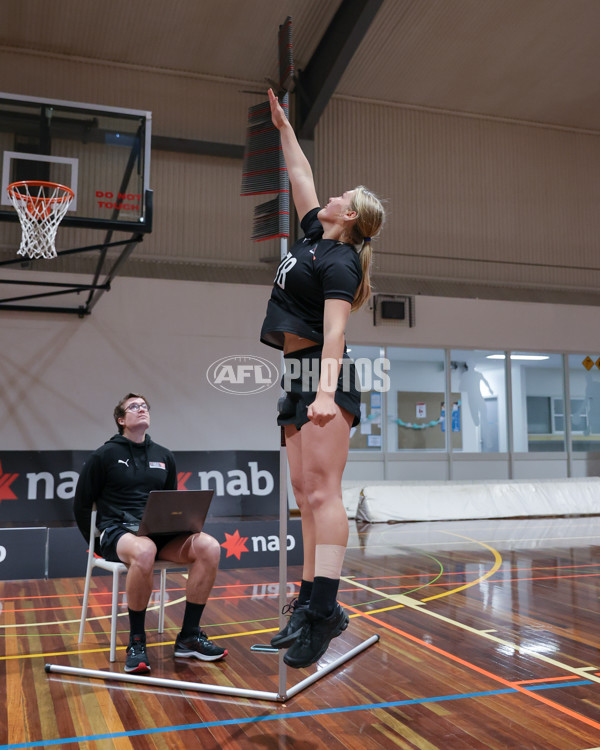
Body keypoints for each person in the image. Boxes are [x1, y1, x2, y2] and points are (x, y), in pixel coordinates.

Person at [260, 89, 385, 669]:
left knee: (323, 493)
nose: (329, 196)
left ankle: (326, 609)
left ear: (351, 216)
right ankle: (308, 602)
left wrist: (327, 394)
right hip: (295, 374)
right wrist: (284, 125)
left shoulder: (338, 260)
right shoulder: (314, 234)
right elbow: (300, 172)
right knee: (302, 496)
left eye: (342, 196)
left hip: (321, 373)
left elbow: (335, 333)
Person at [74, 392, 227, 675]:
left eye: (145, 406)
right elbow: (82, 503)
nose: (142, 409)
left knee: (209, 546)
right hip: (119, 532)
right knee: (144, 550)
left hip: (159, 532)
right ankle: (136, 641)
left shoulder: (164, 455)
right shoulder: (104, 455)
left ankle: (189, 636)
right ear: (121, 419)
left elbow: (169, 501)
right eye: (134, 406)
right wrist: (95, 544)